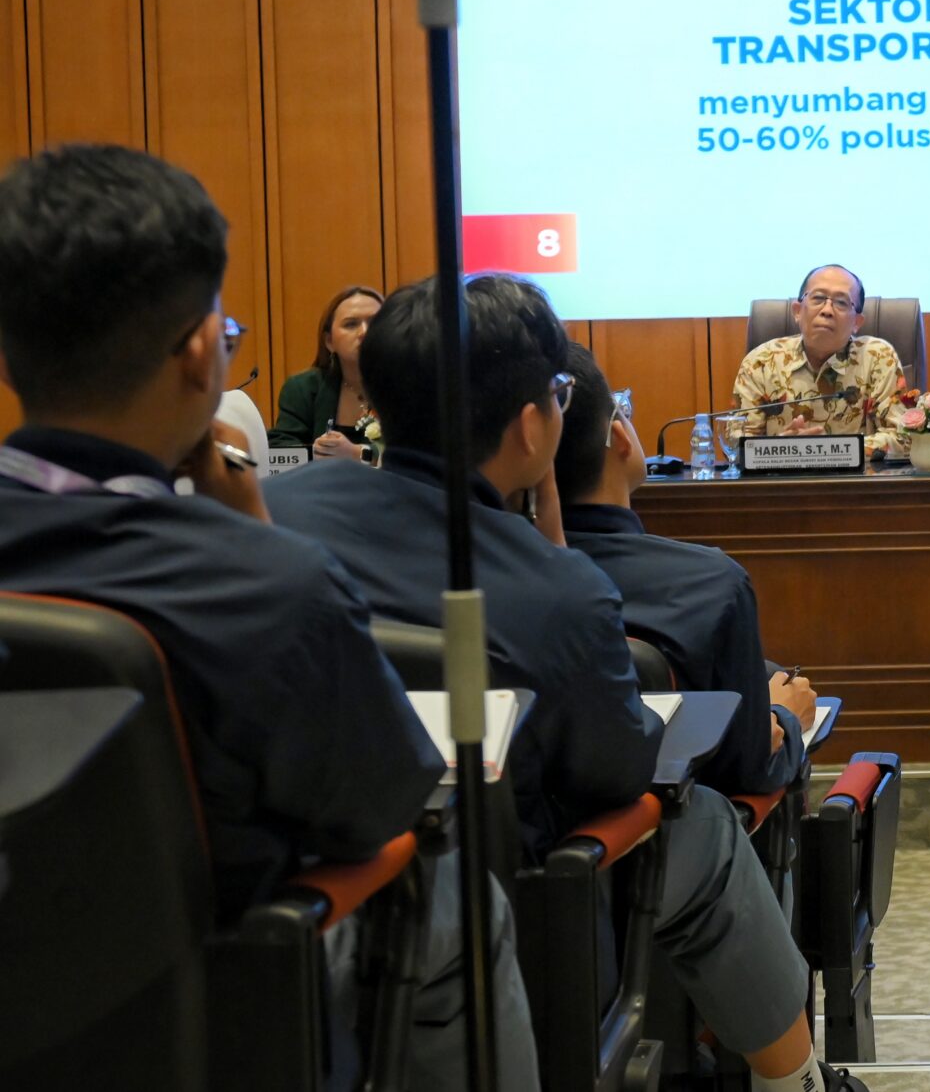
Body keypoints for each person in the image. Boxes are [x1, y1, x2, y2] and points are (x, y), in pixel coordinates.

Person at [0, 144, 535, 1090]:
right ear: (203, 351)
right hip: (214, 1014)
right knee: (464, 896)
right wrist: (259, 541)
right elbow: (378, 802)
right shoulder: (264, 584)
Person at [267, 273, 862, 1092]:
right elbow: (622, 770)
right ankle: (793, 1084)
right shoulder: (554, 589)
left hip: (304, 893)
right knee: (705, 819)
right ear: (530, 424)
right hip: (525, 908)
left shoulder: (272, 515)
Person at [554, 341, 818, 799]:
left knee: (765, 670)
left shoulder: (484, 577)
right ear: (619, 437)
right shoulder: (711, 583)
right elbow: (750, 767)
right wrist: (781, 717)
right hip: (681, 825)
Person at [731, 264, 902, 454]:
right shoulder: (761, 362)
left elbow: (901, 437)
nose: (827, 310)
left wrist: (826, 451)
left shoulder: (878, 358)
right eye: (818, 298)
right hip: (779, 481)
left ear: (857, 322)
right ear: (797, 311)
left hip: (856, 482)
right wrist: (782, 448)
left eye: (841, 302)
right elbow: (736, 444)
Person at [272, 284, 383, 460]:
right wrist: (313, 453)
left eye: (375, 322)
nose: (364, 332)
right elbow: (281, 447)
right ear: (329, 341)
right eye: (351, 324)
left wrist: (359, 454)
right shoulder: (303, 389)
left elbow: (421, 453)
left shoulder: (408, 385)